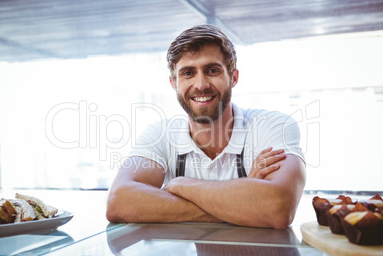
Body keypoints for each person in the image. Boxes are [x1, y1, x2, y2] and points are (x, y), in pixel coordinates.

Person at [106, 24, 306, 229]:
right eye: (188, 73)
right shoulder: (160, 134)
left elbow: (278, 208)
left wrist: (179, 185)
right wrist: (243, 200)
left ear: (233, 77)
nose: (200, 84)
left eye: (212, 70)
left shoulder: (273, 126)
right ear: (173, 83)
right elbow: (118, 202)